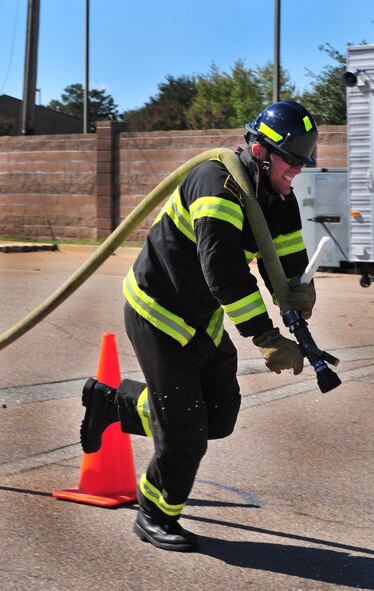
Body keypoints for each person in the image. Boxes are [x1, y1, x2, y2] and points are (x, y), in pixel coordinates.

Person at [80, 100, 318, 552]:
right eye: (292, 160)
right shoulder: (216, 186)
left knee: (221, 414)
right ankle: (154, 515)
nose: (298, 171)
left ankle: (112, 403)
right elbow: (225, 273)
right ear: (262, 150)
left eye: (303, 162)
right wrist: (265, 336)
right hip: (159, 311)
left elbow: (283, 254)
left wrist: (297, 289)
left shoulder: (277, 196)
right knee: (185, 433)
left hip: (200, 316)